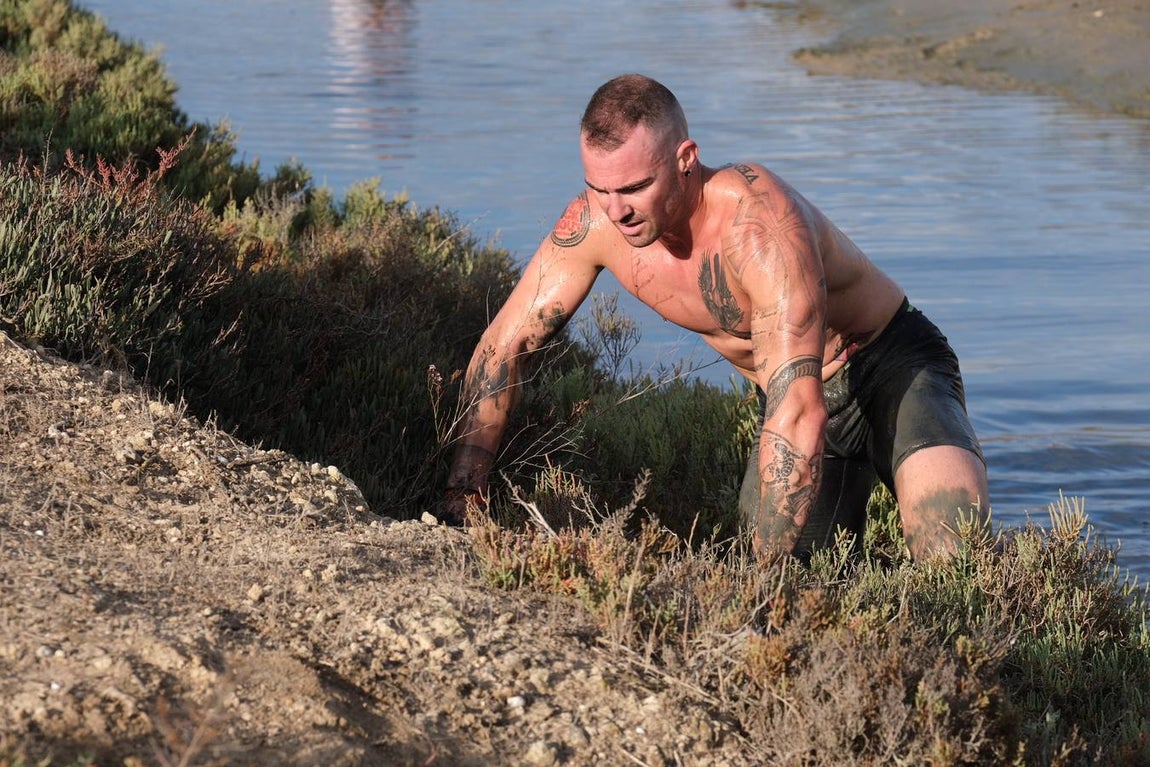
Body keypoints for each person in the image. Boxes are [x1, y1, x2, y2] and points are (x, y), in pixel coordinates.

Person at [444, 73, 988, 561]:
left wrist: (761, 586)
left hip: (890, 368)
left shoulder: (759, 226)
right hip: (789, 398)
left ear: (685, 160)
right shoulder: (594, 226)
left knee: (952, 555)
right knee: (803, 588)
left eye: (635, 187)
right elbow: (502, 348)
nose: (617, 210)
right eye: (600, 188)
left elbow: (800, 411)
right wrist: (462, 496)